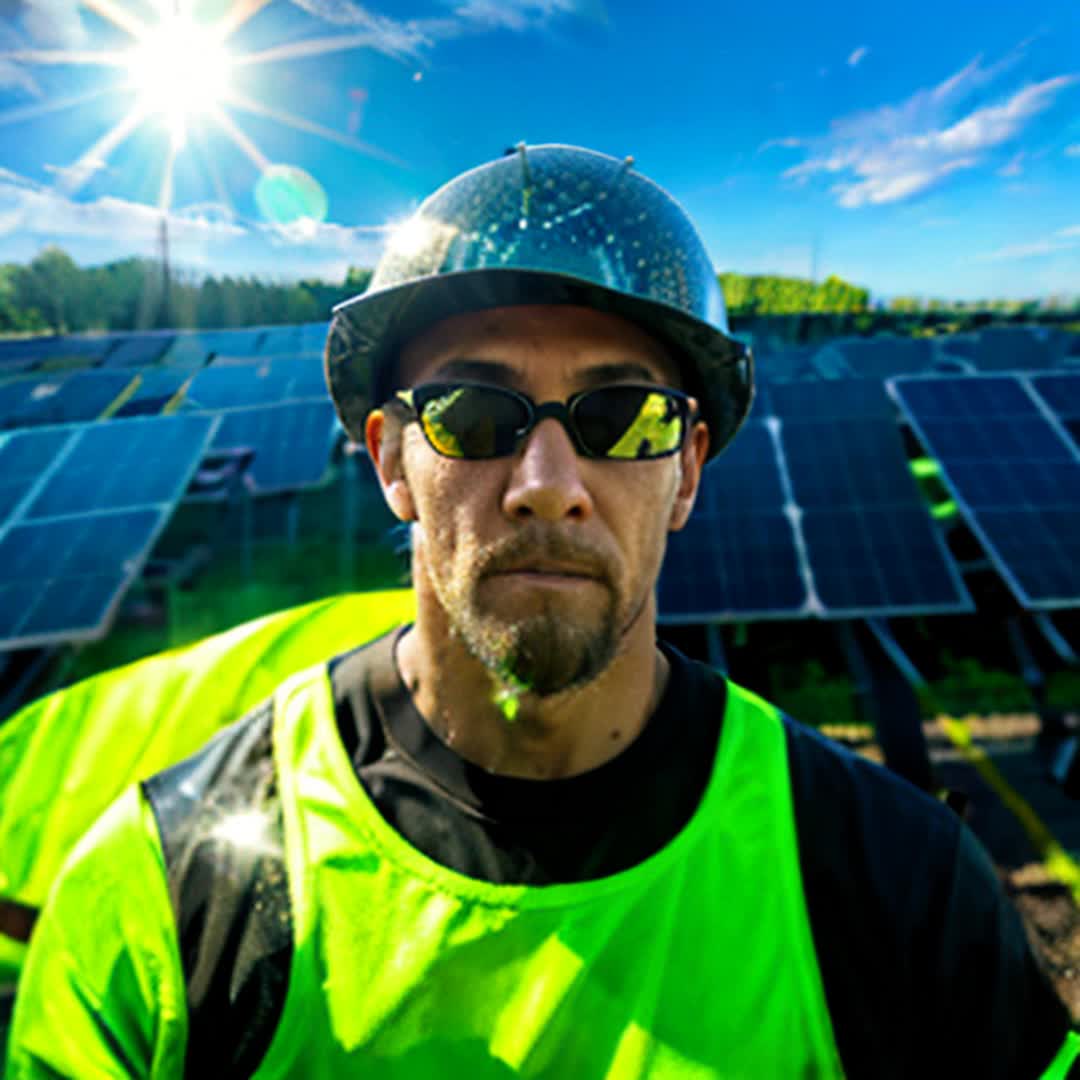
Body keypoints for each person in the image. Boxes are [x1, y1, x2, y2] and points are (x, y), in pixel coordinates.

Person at [6, 144, 1078, 1080]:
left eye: (626, 414)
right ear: (389, 459)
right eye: (475, 413)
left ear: (690, 467)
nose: (549, 481)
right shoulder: (168, 888)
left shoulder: (897, 885)